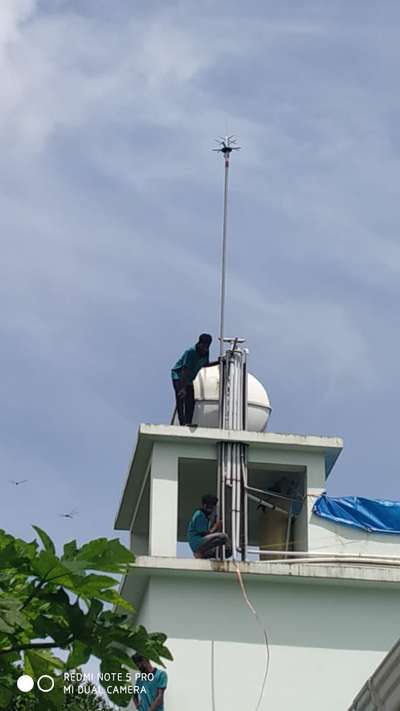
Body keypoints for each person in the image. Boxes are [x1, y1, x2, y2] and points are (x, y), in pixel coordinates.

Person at [171, 333, 219, 425]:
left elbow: (205, 364)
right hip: (179, 376)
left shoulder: (206, 352)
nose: (206, 348)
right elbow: (185, 370)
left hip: (189, 379)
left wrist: (218, 362)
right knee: (181, 398)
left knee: (190, 400)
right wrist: (183, 388)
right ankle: (182, 423)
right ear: (200, 343)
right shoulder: (191, 352)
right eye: (205, 345)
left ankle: (188, 422)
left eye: (208, 346)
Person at [187, 493, 232, 559]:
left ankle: (205, 554)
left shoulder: (205, 517)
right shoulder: (200, 515)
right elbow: (204, 533)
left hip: (201, 543)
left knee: (227, 551)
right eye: (210, 506)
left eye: (213, 506)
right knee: (223, 536)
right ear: (205, 505)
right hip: (197, 542)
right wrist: (215, 527)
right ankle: (199, 553)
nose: (211, 509)